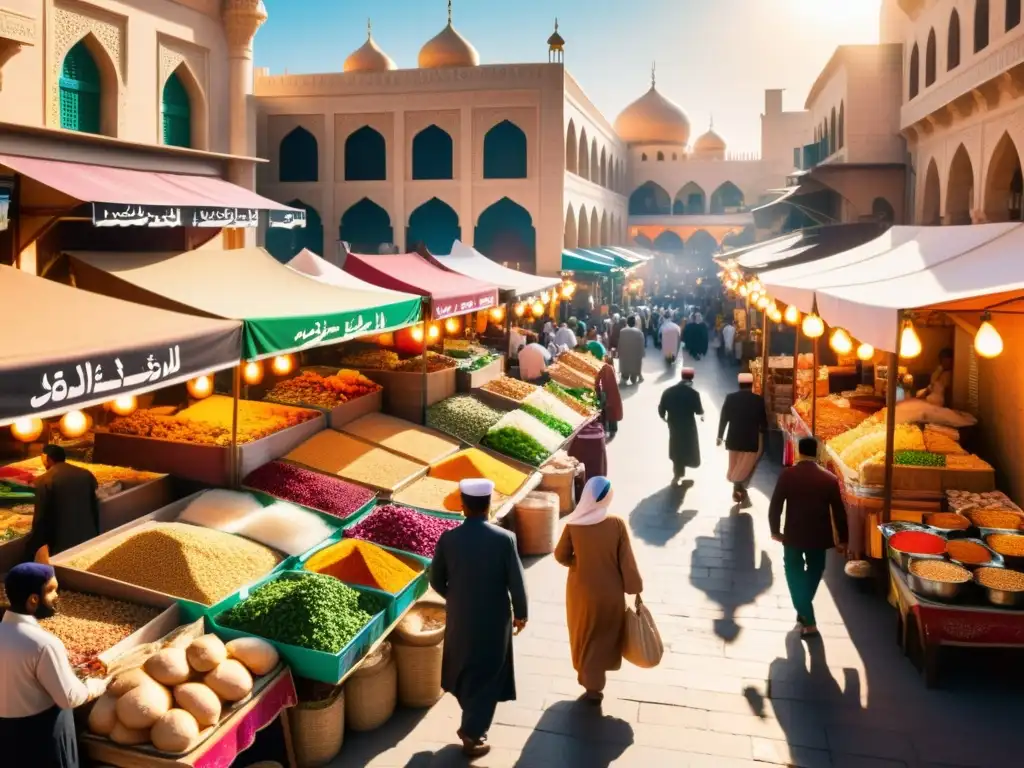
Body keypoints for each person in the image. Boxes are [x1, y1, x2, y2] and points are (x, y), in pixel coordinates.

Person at [430, 479, 528, 757]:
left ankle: (470, 714)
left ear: (463, 507)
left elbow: (436, 579)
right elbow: (516, 583)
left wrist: (455, 596)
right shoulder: (504, 539)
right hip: (494, 619)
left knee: (465, 664)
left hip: (461, 615)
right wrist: (521, 614)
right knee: (489, 671)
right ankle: (472, 733)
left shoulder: (449, 538)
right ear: (488, 505)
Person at [0, 563, 108, 767]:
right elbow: (69, 697)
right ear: (33, 600)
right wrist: (94, 686)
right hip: (40, 739)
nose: (57, 595)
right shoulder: (44, 644)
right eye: (51, 590)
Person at [554, 477, 643, 703]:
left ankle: (589, 681)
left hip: (580, 591)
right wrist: (635, 587)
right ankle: (594, 683)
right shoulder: (616, 524)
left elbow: (560, 555)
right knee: (602, 636)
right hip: (610, 592)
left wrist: (577, 564)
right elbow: (627, 561)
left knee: (584, 633)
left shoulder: (574, 524)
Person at [768, 437, 848, 638]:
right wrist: (844, 539)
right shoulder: (829, 479)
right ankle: (805, 614)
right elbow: (839, 512)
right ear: (817, 452)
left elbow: (775, 505)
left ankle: (807, 617)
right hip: (818, 538)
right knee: (815, 570)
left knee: (794, 573)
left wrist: (775, 530)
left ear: (798, 451)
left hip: (793, 535)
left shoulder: (788, 475)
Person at [24, 445, 99, 562]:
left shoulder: (44, 481)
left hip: (64, 543)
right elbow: (94, 503)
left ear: (47, 458)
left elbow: (40, 520)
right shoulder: (85, 474)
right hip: (89, 537)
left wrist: (29, 549)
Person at [717, 372, 768, 504]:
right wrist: (764, 434)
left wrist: (719, 436)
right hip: (750, 440)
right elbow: (763, 422)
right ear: (751, 385)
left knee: (735, 466)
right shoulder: (758, 400)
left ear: (739, 385)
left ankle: (738, 488)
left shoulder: (730, 398)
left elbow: (724, 419)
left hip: (733, 439)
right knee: (744, 467)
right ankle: (739, 488)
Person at [658, 368, 704, 484]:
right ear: (692, 378)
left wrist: (664, 417)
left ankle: (678, 471)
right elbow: (699, 411)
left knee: (676, 445)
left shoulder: (668, 391)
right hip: (688, 425)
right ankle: (685, 465)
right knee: (688, 446)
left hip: (673, 423)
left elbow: (661, 409)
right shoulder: (693, 393)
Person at [617, 316, 646, 385]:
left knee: (625, 373)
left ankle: (625, 377)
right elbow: (641, 346)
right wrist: (642, 354)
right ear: (635, 323)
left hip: (625, 359)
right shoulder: (639, 332)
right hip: (635, 359)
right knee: (634, 375)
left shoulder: (622, 331)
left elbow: (619, 344)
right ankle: (635, 377)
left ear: (627, 322)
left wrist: (619, 353)